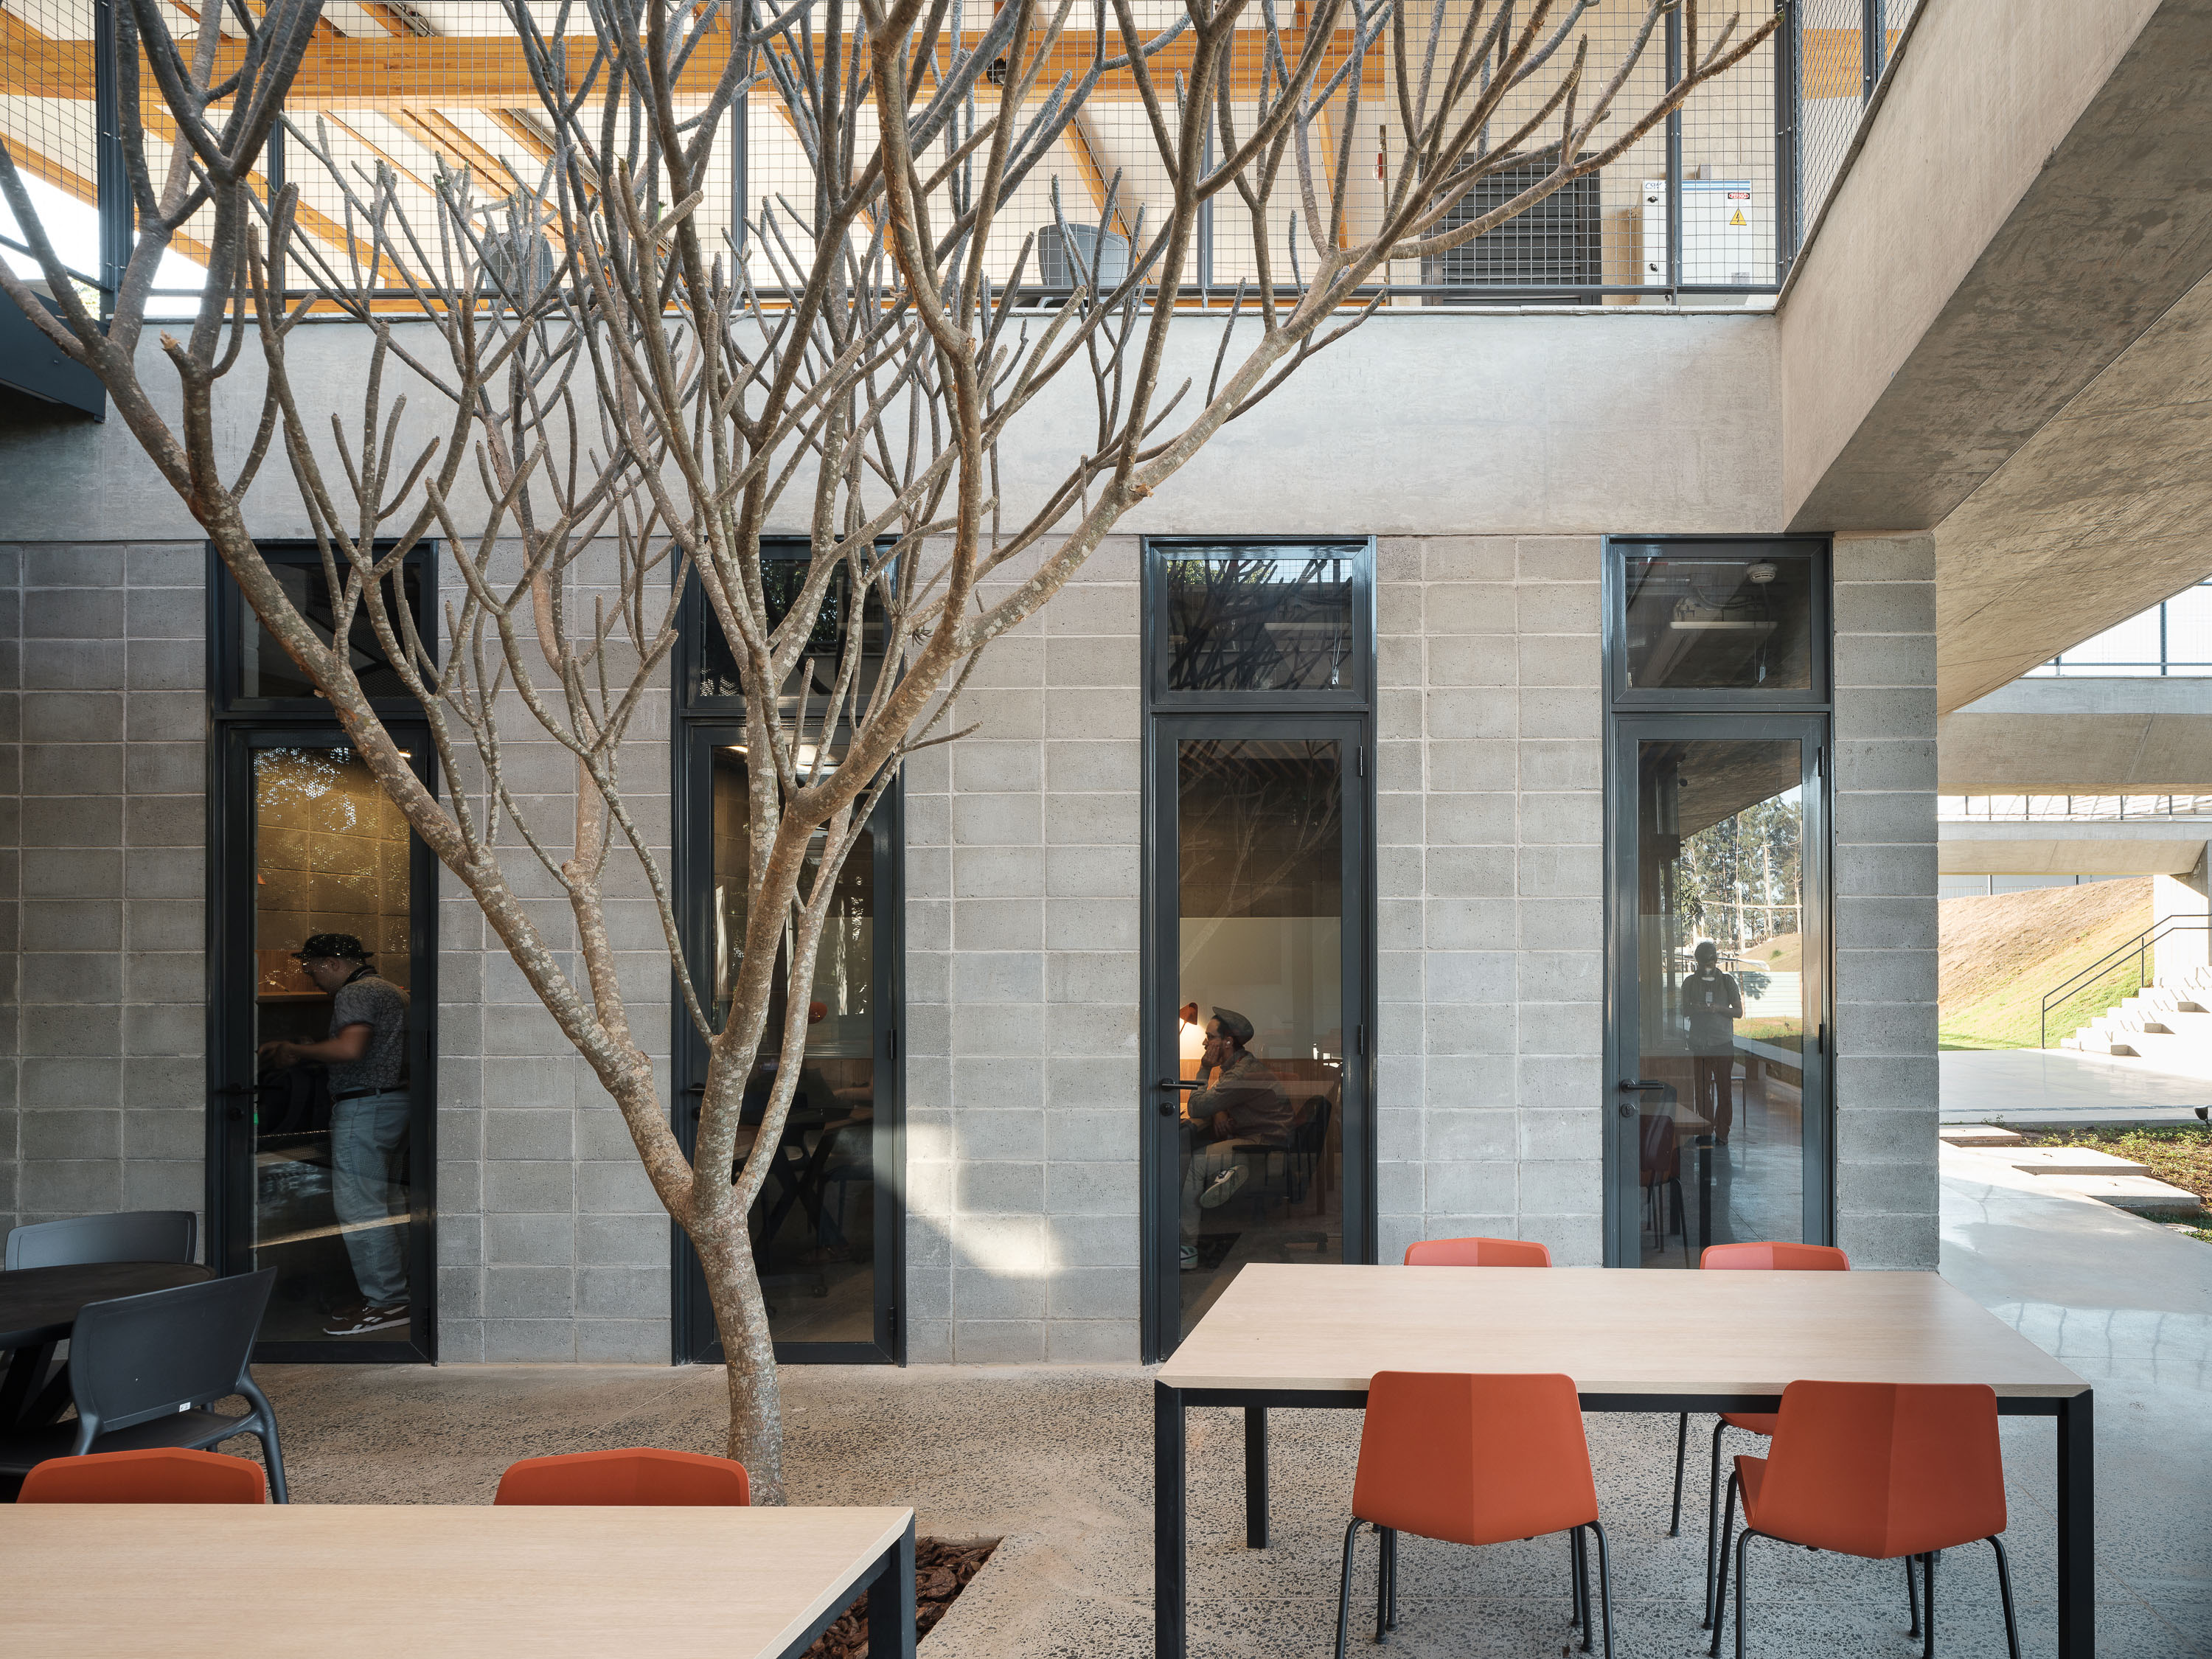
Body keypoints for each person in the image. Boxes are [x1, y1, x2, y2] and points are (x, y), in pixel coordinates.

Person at [260, 933, 411, 1335]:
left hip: (365, 1107)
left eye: (311, 968)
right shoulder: (393, 991)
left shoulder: (355, 993)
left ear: (331, 962)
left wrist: (295, 1050)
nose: (311, 976)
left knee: (360, 1208)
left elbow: (349, 1050)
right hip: (395, 1103)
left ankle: (388, 1301)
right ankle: (401, 1294)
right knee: (388, 1202)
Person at [1178, 1008, 1293, 1270]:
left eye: (1210, 1037)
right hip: (1261, 1139)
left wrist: (1204, 1068)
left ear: (1228, 1041)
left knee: (1194, 1163)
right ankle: (1229, 1173)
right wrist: (1220, 1111)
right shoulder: (1240, 1066)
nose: (1205, 1042)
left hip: (1264, 1147)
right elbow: (1221, 1099)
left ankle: (1187, 1249)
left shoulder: (1240, 1074)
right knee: (1203, 1143)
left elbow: (1196, 1107)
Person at [1683, 941, 1745, 1144]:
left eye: (1709, 964)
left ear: (1716, 961)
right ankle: (1705, 1129)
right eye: (1702, 964)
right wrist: (1696, 1008)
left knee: (1724, 1090)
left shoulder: (1727, 982)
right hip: (1699, 1044)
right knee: (1702, 1091)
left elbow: (1738, 1012)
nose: (1705, 968)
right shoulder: (1690, 983)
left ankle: (1722, 1132)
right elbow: (1683, 1010)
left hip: (1722, 1044)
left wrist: (1718, 1008)